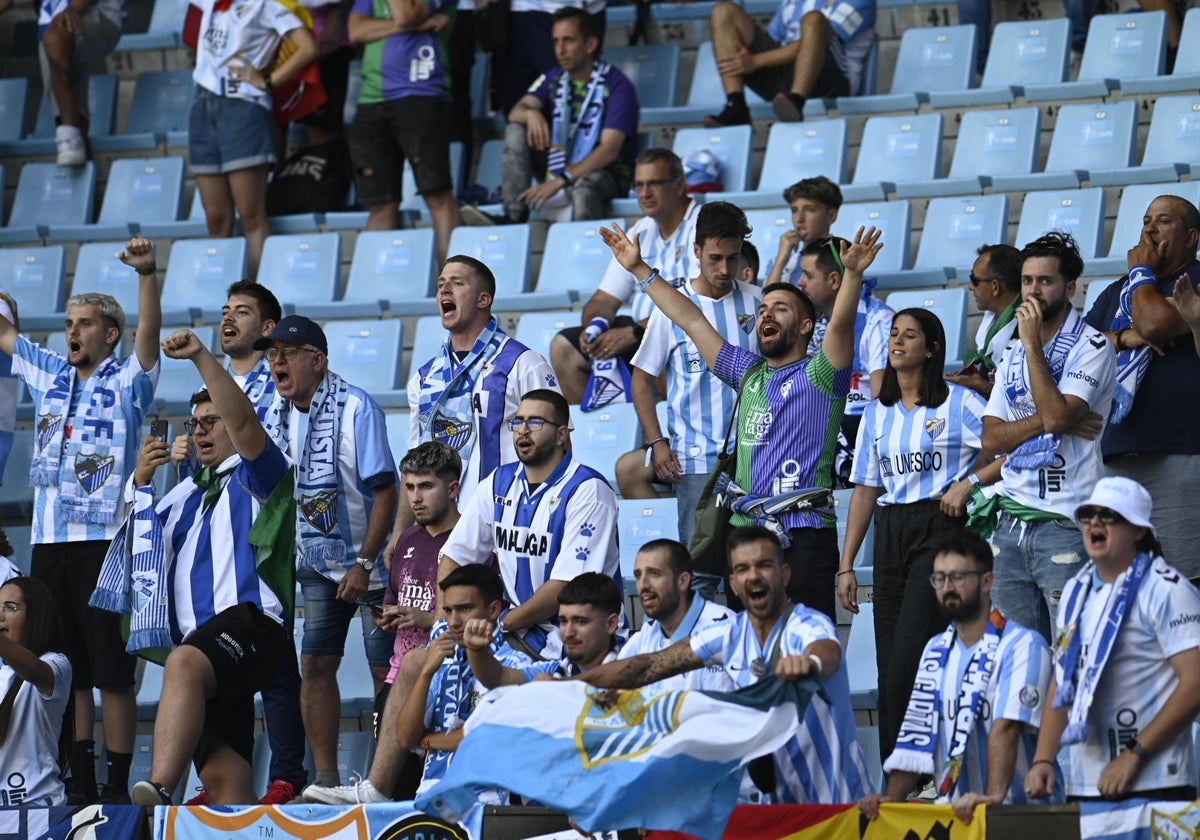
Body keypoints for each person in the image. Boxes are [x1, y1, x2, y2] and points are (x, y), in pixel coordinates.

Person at [599, 220, 883, 621]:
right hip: (744, 535)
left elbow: (838, 324)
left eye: (780, 309)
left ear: (805, 326)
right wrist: (639, 270)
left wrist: (852, 274)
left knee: (805, 655)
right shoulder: (748, 372)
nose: (767, 314)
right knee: (749, 653)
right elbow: (693, 320)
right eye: (763, 309)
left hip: (802, 535)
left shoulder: (822, 374)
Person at [0, 236, 161, 805]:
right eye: (69, 322)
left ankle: (117, 785)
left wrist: (147, 276)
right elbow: (3, 333)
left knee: (112, 672)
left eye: (85, 323)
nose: (72, 331)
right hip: (48, 544)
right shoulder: (48, 373)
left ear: (109, 334)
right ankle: (81, 778)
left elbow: (148, 342)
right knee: (69, 671)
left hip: (104, 544)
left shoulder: (127, 382)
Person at [109, 330, 293, 806]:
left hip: (251, 626)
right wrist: (140, 482)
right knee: (225, 779)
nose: (201, 431)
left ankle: (160, 792)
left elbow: (247, 419)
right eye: (194, 424)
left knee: (184, 663)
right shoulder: (182, 494)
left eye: (213, 420)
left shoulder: (261, 475)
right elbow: (135, 550)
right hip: (203, 644)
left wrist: (199, 356)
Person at [582, 526, 874, 804]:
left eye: (764, 565)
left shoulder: (807, 624)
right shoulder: (728, 633)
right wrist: (568, 685)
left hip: (838, 808)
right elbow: (647, 667)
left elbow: (827, 652)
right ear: (733, 583)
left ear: (785, 574)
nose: (754, 576)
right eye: (743, 569)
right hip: (777, 813)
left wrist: (809, 663)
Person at [837, 308, 998, 763]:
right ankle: (898, 779)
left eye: (910, 336)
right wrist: (847, 563)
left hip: (940, 530)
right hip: (890, 532)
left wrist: (971, 483)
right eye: (893, 334)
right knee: (889, 662)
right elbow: (866, 489)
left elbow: (1008, 447)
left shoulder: (958, 402)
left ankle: (926, 770)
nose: (897, 342)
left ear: (931, 349)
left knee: (910, 653)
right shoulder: (875, 413)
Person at [170, 280, 303, 807]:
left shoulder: (277, 382)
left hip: (281, 512)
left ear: (267, 329)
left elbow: (254, 434)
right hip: (235, 508)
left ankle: (289, 774)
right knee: (220, 661)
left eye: (242, 311)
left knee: (275, 654)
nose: (229, 318)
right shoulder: (211, 404)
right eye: (224, 310)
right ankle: (225, 780)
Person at [254, 315, 399, 794]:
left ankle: (388, 778)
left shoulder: (357, 407)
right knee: (315, 664)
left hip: (371, 564)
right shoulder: (276, 415)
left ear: (317, 360)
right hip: (316, 561)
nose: (276, 361)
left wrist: (364, 562)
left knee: (387, 672)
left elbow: (384, 490)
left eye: (287, 353)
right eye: (271, 353)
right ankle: (326, 779)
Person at [858, 532, 1060, 824]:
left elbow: (1006, 728)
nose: (946, 587)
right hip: (955, 818)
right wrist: (889, 801)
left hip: (1019, 813)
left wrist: (991, 800)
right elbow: (915, 735)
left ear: (987, 581)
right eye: (939, 578)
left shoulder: (1023, 645)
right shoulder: (935, 649)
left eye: (957, 577)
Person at [302, 441, 462, 805]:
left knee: (428, 794)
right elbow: (394, 598)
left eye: (426, 486)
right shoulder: (405, 540)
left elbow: (479, 615)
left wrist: (423, 617)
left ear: (452, 489)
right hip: (396, 680)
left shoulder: (469, 540)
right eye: (410, 487)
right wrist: (389, 615)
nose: (416, 497)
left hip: (446, 682)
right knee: (395, 791)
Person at [1025, 477, 1200, 803]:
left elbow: (1196, 682)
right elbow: (1062, 680)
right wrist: (1043, 759)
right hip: (1086, 787)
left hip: (1156, 783)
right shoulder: (1075, 591)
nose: (1095, 523)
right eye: (1088, 515)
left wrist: (1134, 753)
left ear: (1139, 530)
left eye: (1109, 516)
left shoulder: (1166, 588)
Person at [983, 231, 1116, 644]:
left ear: (1070, 288)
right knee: (1017, 660)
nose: (1033, 291)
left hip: (1069, 522)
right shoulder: (1010, 349)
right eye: (1026, 281)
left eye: (1045, 281)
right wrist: (1049, 419)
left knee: (1071, 655)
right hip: (1011, 521)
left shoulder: (1093, 345)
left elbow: (1058, 417)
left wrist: (1032, 348)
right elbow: (990, 440)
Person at [614, 201, 761, 556]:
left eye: (733, 257)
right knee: (700, 570)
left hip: (756, 458)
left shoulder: (761, 302)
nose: (725, 268)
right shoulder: (672, 308)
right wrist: (656, 442)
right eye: (715, 258)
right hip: (697, 460)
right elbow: (641, 379)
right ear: (696, 250)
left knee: (752, 566)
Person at [437, 389, 623, 660]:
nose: (523, 430)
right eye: (518, 421)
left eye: (536, 422)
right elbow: (454, 557)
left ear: (561, 435)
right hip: (512, 633)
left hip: (572, 641)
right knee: (421, 664)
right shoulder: (496, 483)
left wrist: (500, 626)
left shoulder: (588, 490)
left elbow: (565, 588)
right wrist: (444, 625)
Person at [1083, 195, 1200, 587]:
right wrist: (1125, 336)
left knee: (1185, 584)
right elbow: (1079, 348)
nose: (1149, 228)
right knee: (1120, 584)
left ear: (1191, 237)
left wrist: (1142, 274)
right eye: (1147, 219)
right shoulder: (1120, 289)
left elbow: (1155, 324)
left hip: (1180, 453)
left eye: (1163, 221)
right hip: (1116, 452)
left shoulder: (1193, 281)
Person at [400, 255, 557, 544]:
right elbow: (413, 462)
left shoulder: (523, 364)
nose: (444, 290)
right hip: (440, 533)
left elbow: (558, 445)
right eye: (440, 285)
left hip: (507, 526)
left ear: (483, 299)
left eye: (457, 283)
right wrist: (400, 534)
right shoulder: (424, 379)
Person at [549, 148, 701, 405]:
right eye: (639, 185)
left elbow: (702, 299)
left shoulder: (703, 224)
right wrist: (594, 330)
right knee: (564, 348)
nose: (644, 193)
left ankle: (668, 439)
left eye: (654, 183)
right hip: (638, 334)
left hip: (683, 334)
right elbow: (604, 300)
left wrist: (635, 332)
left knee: (664, 349)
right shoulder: (640, 229)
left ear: (679, 185)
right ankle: (599, 434)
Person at [467, 7, 637, 225]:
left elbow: (609, 150)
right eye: (555, 41)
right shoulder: (554, 77)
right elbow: (515, 112)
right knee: (516, 129)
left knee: (584, 188)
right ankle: (513, 215)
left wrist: (562, 180)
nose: (560, 49)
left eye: (568, 40)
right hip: (560, 166)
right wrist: (530, 114)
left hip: (607, 174)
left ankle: (587, 251)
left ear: (590, 45)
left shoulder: (618, 85)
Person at [188, 0, 317, 279]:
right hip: (202, 104)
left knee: (250, 216)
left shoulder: (266, 4)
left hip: (243, 106)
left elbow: (307, 46)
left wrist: (268, 81)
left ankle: (257, 304)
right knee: (216, 220)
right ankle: (224, 305)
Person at [394, 565, 532, 799]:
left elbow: (487, 736)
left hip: (490, 804)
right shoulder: (440, 660)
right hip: (430, 800)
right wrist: (426, 671)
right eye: (448, 611)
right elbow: (406, 738)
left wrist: (430, 740)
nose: (454, 621)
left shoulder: (517, 664)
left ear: (494, 609)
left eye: (465, 608)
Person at [346, 0, 462, 265]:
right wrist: (414, 26)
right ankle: (374, 288)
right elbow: (356, 31)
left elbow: (405, 14)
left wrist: (404, 24)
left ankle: (452, 284)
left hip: (421, 94)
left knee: (437, 195)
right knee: (380, 204)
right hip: (371, 98)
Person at [703, 0, 874, 126]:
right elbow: (773, 42)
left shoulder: (860, 1)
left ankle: (796, 101)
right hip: (783, 75)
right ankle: (736, 106)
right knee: (723, 11)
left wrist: (755, 61)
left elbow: (819, 40)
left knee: (814, 20)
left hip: (830, 79)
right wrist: (750, 59)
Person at [796, 234, 894, 450]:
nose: (799, 282)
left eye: (807, 275)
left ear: (833, 280)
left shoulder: (878, 320)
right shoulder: (811, 320)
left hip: (859, 432)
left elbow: (883, 401)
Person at [463, 572, 622, 687]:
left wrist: (561, 686)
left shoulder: (633, 673)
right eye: (563, 621)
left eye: (580, 622)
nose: (568, 632)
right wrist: (476, 650)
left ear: (611, 624)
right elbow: (497, 678)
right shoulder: (553, 671)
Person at [618, 540, 733, 693]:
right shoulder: (645, 635)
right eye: (638, 575)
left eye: (654, 574)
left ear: (683, 581)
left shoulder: (726, 628)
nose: (643, 585)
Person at [0, 577, 73, 806]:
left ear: (36, 616)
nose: (0, 615)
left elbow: (33, 669)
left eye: (10, 608)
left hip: (38, 810)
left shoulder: (57, 663)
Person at [36, 0, 125, 166]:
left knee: (57, 38)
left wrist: (75, 7)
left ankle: (72, 137)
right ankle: (85, 182)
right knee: (67, 127)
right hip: (48, 22)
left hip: (96, 13)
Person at [947, 244, 1023, 399]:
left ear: (995, 286)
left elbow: (1022, 403)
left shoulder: (1028, 329)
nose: (970, 287)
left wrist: (978, 385)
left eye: (974, 280)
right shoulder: (993, 321)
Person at [763, 177, 842, 289]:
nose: (799, 219)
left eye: (810, 210)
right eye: (794, 210)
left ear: (831, 216)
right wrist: (780, 261)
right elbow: (769, 301)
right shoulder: (779, 261)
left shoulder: (843, 259)